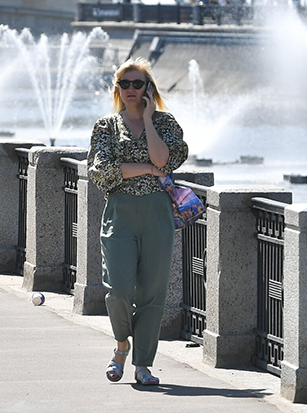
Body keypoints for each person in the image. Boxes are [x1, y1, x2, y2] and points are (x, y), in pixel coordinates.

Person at [88, 58, 188, 386]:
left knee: (152, 292)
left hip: (157, 214)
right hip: (120, 213)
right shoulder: (106, 126)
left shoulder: (165, 124)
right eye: (125, 84)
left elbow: (164, 158)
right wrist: (146, 169)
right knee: (117, 288)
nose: (131, 89)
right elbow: (103, 170)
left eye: (138, 83)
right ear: (117, 89)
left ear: (148, 89)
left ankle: (143, 364)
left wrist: (147, 120)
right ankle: (121, 346)